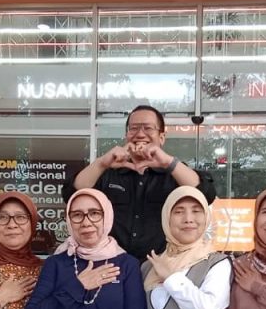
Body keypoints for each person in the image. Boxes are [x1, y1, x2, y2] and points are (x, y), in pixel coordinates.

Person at [64, 104, 217, 261]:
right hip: (112, 265)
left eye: (148, 128)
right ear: (127, 135)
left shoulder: (174, 172)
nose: (140, 134)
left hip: (161, 266)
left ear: (162, 137)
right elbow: (71, 194)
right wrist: (102, 163)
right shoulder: (109, 172)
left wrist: (168, 162)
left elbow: (206, 194)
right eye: (134, 128)